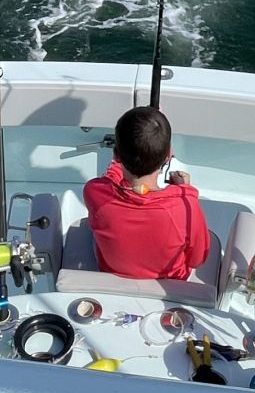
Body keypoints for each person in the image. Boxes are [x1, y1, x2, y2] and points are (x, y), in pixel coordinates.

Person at [84, 106, 210, 280]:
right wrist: (185, 191)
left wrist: (117, 165)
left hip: (112, 276)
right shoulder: (187, 206)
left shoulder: (95, 192)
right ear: (168, 156)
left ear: (116, 155)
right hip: (170, 284)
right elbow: (197, 260)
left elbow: (110, 179)